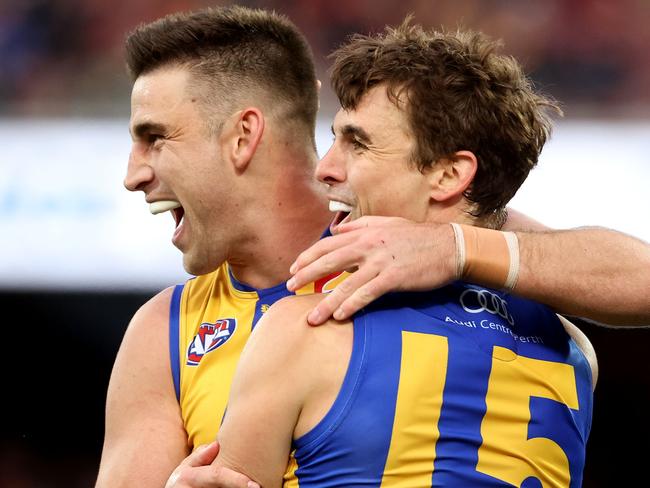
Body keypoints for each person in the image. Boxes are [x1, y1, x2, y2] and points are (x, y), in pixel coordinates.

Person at [96, 6, 650, 488]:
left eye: (155, 136)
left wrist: (453, 247)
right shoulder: (166, 330)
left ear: (244, 135)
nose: (132, 174)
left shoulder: (442, 241)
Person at [203, 22, 597, 487]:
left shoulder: (302, 331)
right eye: (334, 138)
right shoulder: (573, 349)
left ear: (449, 176)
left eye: (358, 143)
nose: (325, 169)